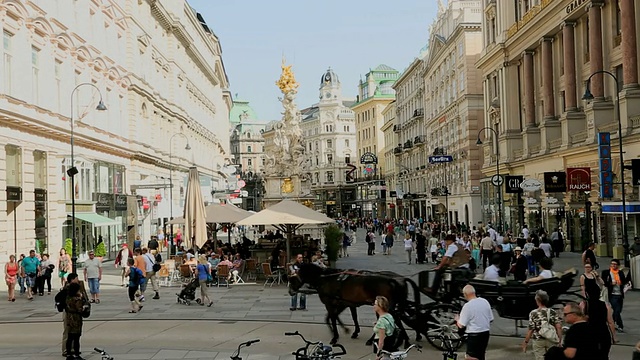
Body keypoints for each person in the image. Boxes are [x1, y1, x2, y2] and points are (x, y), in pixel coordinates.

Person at [521, 290, 562, 360]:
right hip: (551, 339)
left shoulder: (533, 313)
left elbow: (531, 329)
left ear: (537, 300)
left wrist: (525, 342)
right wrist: (560, 340)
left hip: (538, 340)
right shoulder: (552, 312)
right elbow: (559, 327)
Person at [455, 285, 493, 360]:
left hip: (474, 336)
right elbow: (491, 319)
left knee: (471, 357)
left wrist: (457, 319)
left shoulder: (468, 306)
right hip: (485, 334)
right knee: (481, 355)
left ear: (465, 294)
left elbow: (461, 325)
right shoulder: (485, 301)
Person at [583, 283, 615, 359]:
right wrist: (614, 337)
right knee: (604, 355)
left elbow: (582, 320)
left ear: (587, 293)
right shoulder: (606, 305)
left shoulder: (585, 305)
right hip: (604, 332)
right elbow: (610, 322)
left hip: (591, 333)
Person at [601, 259, 631, 333]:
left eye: (615, 264)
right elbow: (604, 282)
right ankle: (620, 325)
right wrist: (611, 283)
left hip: (620, 294)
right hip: (612, 294)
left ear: (618, 266)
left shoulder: (620, 273)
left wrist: (626, 283)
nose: (613, 265)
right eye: (612, 264)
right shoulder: (606, 273)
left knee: (618, 310)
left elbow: (624, 281)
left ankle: (611, 322)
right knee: (616, 310)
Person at [64, 282, 85, 360]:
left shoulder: (68, 298)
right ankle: (76, 354)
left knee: (70, 338)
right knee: (76, 338)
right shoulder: (77, 299)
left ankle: (69, 354)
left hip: (69, 319)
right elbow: (79, 309)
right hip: (76, 319)